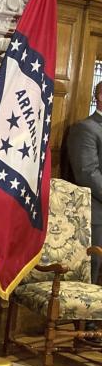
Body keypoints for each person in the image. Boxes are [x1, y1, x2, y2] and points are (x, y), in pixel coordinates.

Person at [67, 81, 102, 285]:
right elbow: (87, 173)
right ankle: (87, 318)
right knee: (92, 271)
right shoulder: (85, 129)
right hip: (96, 215)